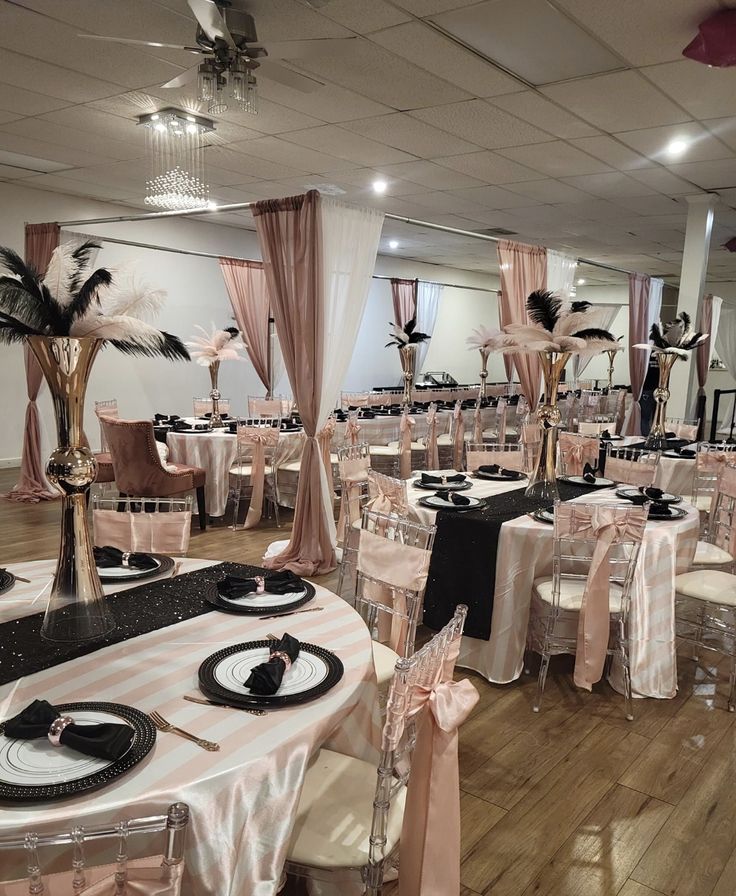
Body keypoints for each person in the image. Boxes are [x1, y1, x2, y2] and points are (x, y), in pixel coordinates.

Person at [640, 352, 659, 436]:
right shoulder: (659, 353)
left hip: (647, 389)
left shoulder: (646, 354)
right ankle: (649, 436)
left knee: (645, 418)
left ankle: (646, 437)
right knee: (650, 418)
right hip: (656, 389)